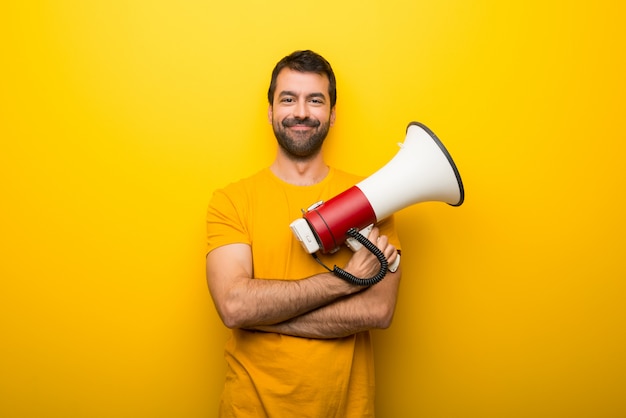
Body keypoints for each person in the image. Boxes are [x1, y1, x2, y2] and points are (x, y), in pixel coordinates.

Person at [205, 50, 402, 418]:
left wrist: (261, 315)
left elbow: (378, 310)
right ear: (270, 112)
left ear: (332, 113)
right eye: (288, 99)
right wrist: (347, 281)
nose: (301, 112)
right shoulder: (230, 201)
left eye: (315, 100)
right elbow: (233, 305)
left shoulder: (376, 198)